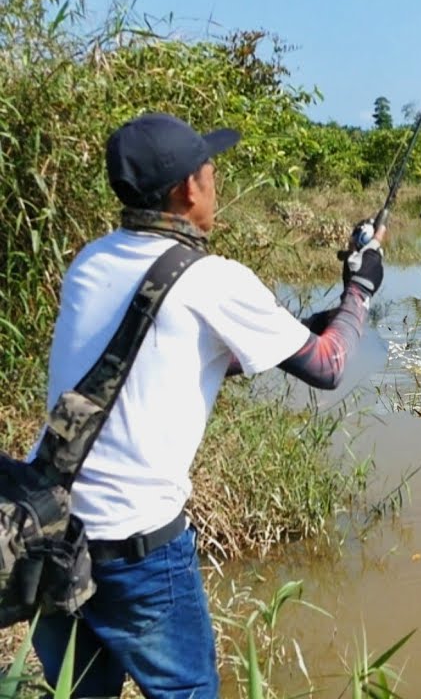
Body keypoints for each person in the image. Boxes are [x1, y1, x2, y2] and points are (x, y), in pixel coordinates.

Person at [25, 112, 386, 698]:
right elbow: (328, 366)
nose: (215, 183)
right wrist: (360, 289)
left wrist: (312, 321)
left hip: (48, 529)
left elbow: (182, 355)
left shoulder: (89, 260)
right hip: (137, 548)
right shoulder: (211, 280)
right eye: (211, 171)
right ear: (188, 189)